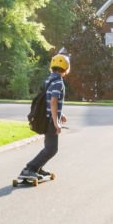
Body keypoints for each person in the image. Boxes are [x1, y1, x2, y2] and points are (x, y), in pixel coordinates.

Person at [18, 52, 70, 181]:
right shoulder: (58, 82)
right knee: (51, 149)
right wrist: (56, 122)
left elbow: (49, 100)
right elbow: (53, 102)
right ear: (66, 68)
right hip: (51, 121)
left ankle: (37, 168)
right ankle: (30, 168)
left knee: (49, 147)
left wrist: (60, 114)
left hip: (47, 118)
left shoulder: (49, 79)